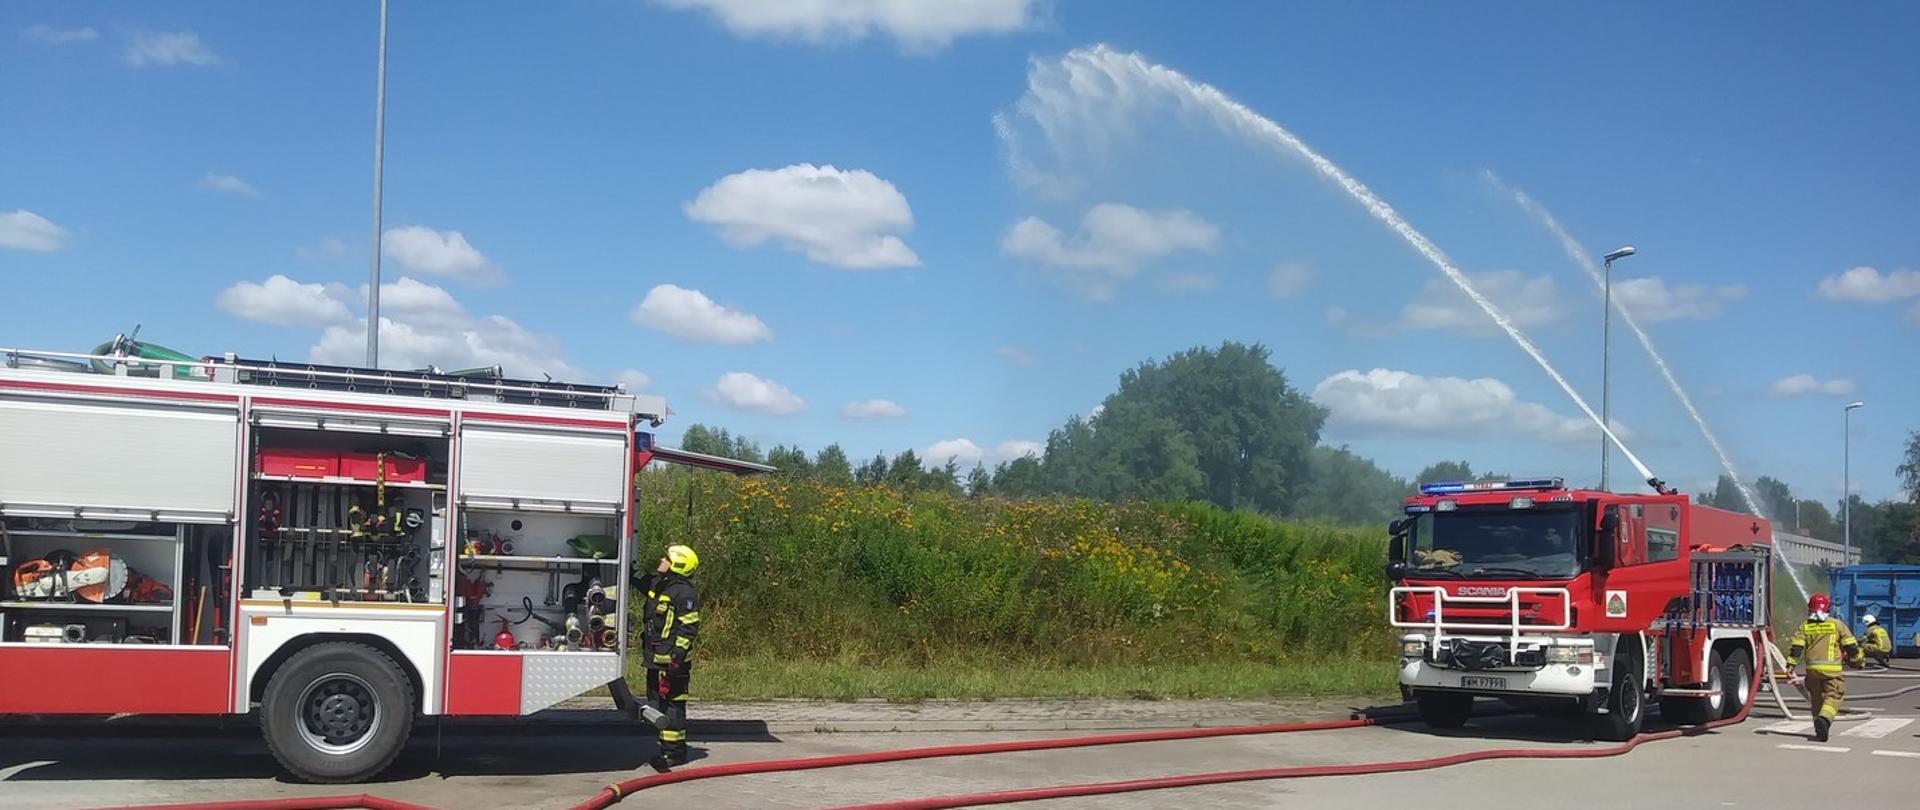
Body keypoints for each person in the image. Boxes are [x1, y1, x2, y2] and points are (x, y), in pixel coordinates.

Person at [636, 544, 702, 766]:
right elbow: (642, 583)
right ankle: (666, 750)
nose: (661, 560)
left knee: (673, 706)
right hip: (656, 659)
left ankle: (674, 754)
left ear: (677, 564)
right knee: (658, 705)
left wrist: (678, 656)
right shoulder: (661, 585)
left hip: (673, 662)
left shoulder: (685, 593)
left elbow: (689, 627)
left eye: (666, 558)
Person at [1785, 593, 1863, 742]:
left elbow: (1797, 647)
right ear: (1828, 608)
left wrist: (1791, 665)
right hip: (1831, 671)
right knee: (1834, 696)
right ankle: (1825, 719)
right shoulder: (1836, 624)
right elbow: (1851, 646)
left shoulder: (1805, 626)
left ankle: (1819, 730)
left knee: (1816, 700)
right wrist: (1858, 661)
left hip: (1812, 672)